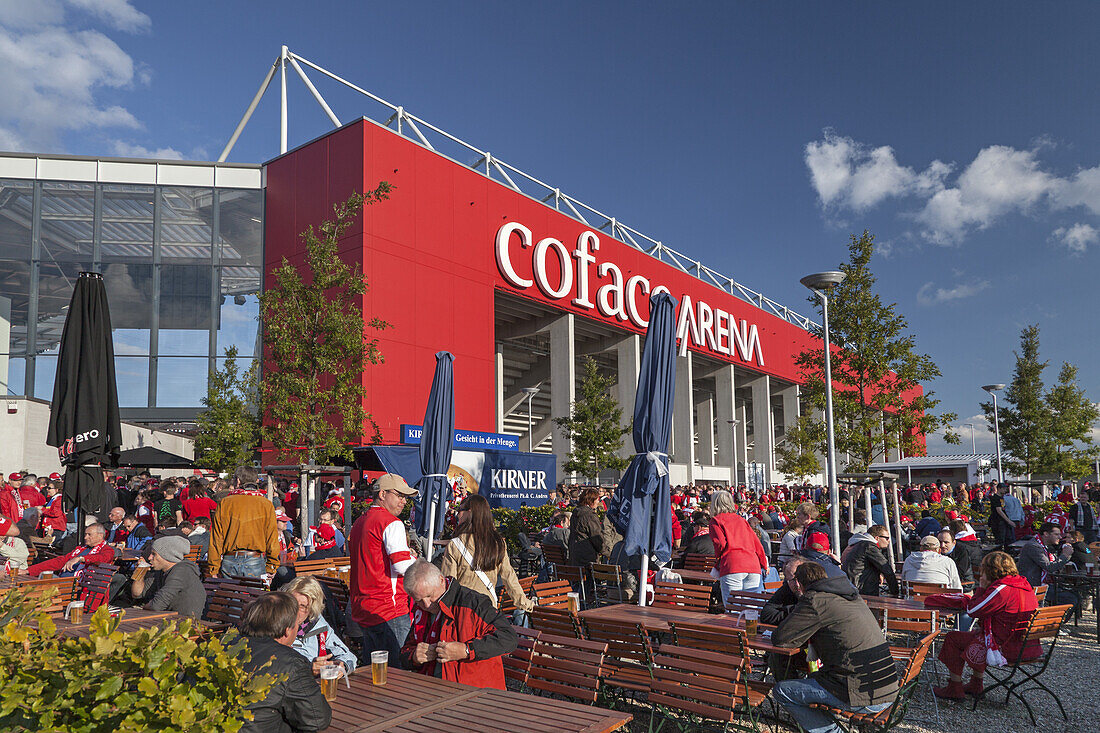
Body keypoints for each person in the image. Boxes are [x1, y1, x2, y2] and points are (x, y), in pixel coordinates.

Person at [772, 561, 898, 732]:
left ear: (800, 585)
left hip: (861, 696)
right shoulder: (852, 596)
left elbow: (781, 638)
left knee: (782, 691)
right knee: (813, 677)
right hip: (887, 689)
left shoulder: (815, 600)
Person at [928, 552, 1040, 699]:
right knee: (977, 634)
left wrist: (981, 588)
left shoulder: (1002, 589)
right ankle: (976, 683)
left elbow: (973, 610)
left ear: (990, 570)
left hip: (1005, 648)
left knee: (953, 638)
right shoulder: (1023, 584)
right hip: (1027, 646)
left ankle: (954, 688)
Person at [400, 560, 518, 689]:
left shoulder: (474, 602)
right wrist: (415, 656)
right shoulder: (420, 611)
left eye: (430, 595)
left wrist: (466, 650)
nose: (427, 604)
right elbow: (404, 654)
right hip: (431, 689)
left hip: (475, 693)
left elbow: (509, 638)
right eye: (419, 600)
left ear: (441, 580)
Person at [348, 473, 419, 663]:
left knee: (376, 672)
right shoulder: (391, 523)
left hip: (363, 607)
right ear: (382, 494)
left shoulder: (359, 522)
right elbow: (403, 566)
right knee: (399, 674)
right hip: (389, 608)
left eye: (405, 497)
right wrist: (417, 561)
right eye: (399, 495)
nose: (404, 501)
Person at [239, 592, 331, 733]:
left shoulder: (225, 645)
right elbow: (317, 719)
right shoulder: (290, 662)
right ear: (287, 630)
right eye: (296, 624)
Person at [442, 494, 535, 614]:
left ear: (469, 512)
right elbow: (509, 577)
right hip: (489, 610)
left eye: (460, 510)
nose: (457, 514)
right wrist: (525, 604)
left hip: (462, 610)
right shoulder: (497, 543)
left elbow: (448, 584)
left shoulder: (455, 545)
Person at [208, 467, 280, 579]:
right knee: (255, 596)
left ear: (238, 481)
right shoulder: (266, 504)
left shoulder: (225, 503)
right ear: (256, 481)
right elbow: (272, 538)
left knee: (229, 595)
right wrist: (272, 566)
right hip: (255, 560)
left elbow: (217, 538)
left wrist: (214, 567)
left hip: (230, 560)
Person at [283, 575, 357, 676]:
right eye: (293, 603)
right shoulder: (278, 626)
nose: (295, 610)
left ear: (312, 609)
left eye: (303, 606)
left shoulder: (317, 623)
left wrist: (342, 665)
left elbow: (348, 656)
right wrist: (308, 669)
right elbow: (275, 666)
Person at [710, 489, 769, 603]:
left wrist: (718, 558)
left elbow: (720, 544)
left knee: (733, 607)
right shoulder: (741, 520)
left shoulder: (716, 520)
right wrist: (764, 563)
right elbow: (756, 543)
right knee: (751, 607)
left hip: (732, 564)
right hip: (752, 565)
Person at [129, 535, 205, 618]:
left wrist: (143, 608)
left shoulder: (182, 571)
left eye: (154, 554)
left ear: (167, 556)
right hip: (168, 620)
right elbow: (137, 594)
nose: (149, 557)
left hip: (185, 624)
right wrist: (140, 571)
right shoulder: (162, 571)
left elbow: (157, 605)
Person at [26, 523, 114, 577]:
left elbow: (102, 558)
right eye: (85, 534)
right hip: (64, 581)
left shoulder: (106, 550)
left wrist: (80, 558)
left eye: (89, 535)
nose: (85, 537)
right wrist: (29, 570)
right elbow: (60, 561)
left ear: (100, 536)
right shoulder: (81, 548)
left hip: (77, 586)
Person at [840, 524, 898, 596]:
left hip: (851, 587)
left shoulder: (857, 543)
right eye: (886, 538)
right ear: (877, 538)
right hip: (862, 591)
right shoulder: (869, 546)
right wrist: (895, 593)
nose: (889, 541)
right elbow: (887, 569)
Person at [567, 487, 604, 566]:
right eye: (597, 499)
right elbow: (596, 537)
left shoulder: (576, 512)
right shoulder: (589, 515)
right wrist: (607, 552)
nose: (598, 501)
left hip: (575, 555)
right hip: (587, 557)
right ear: (591, 501)